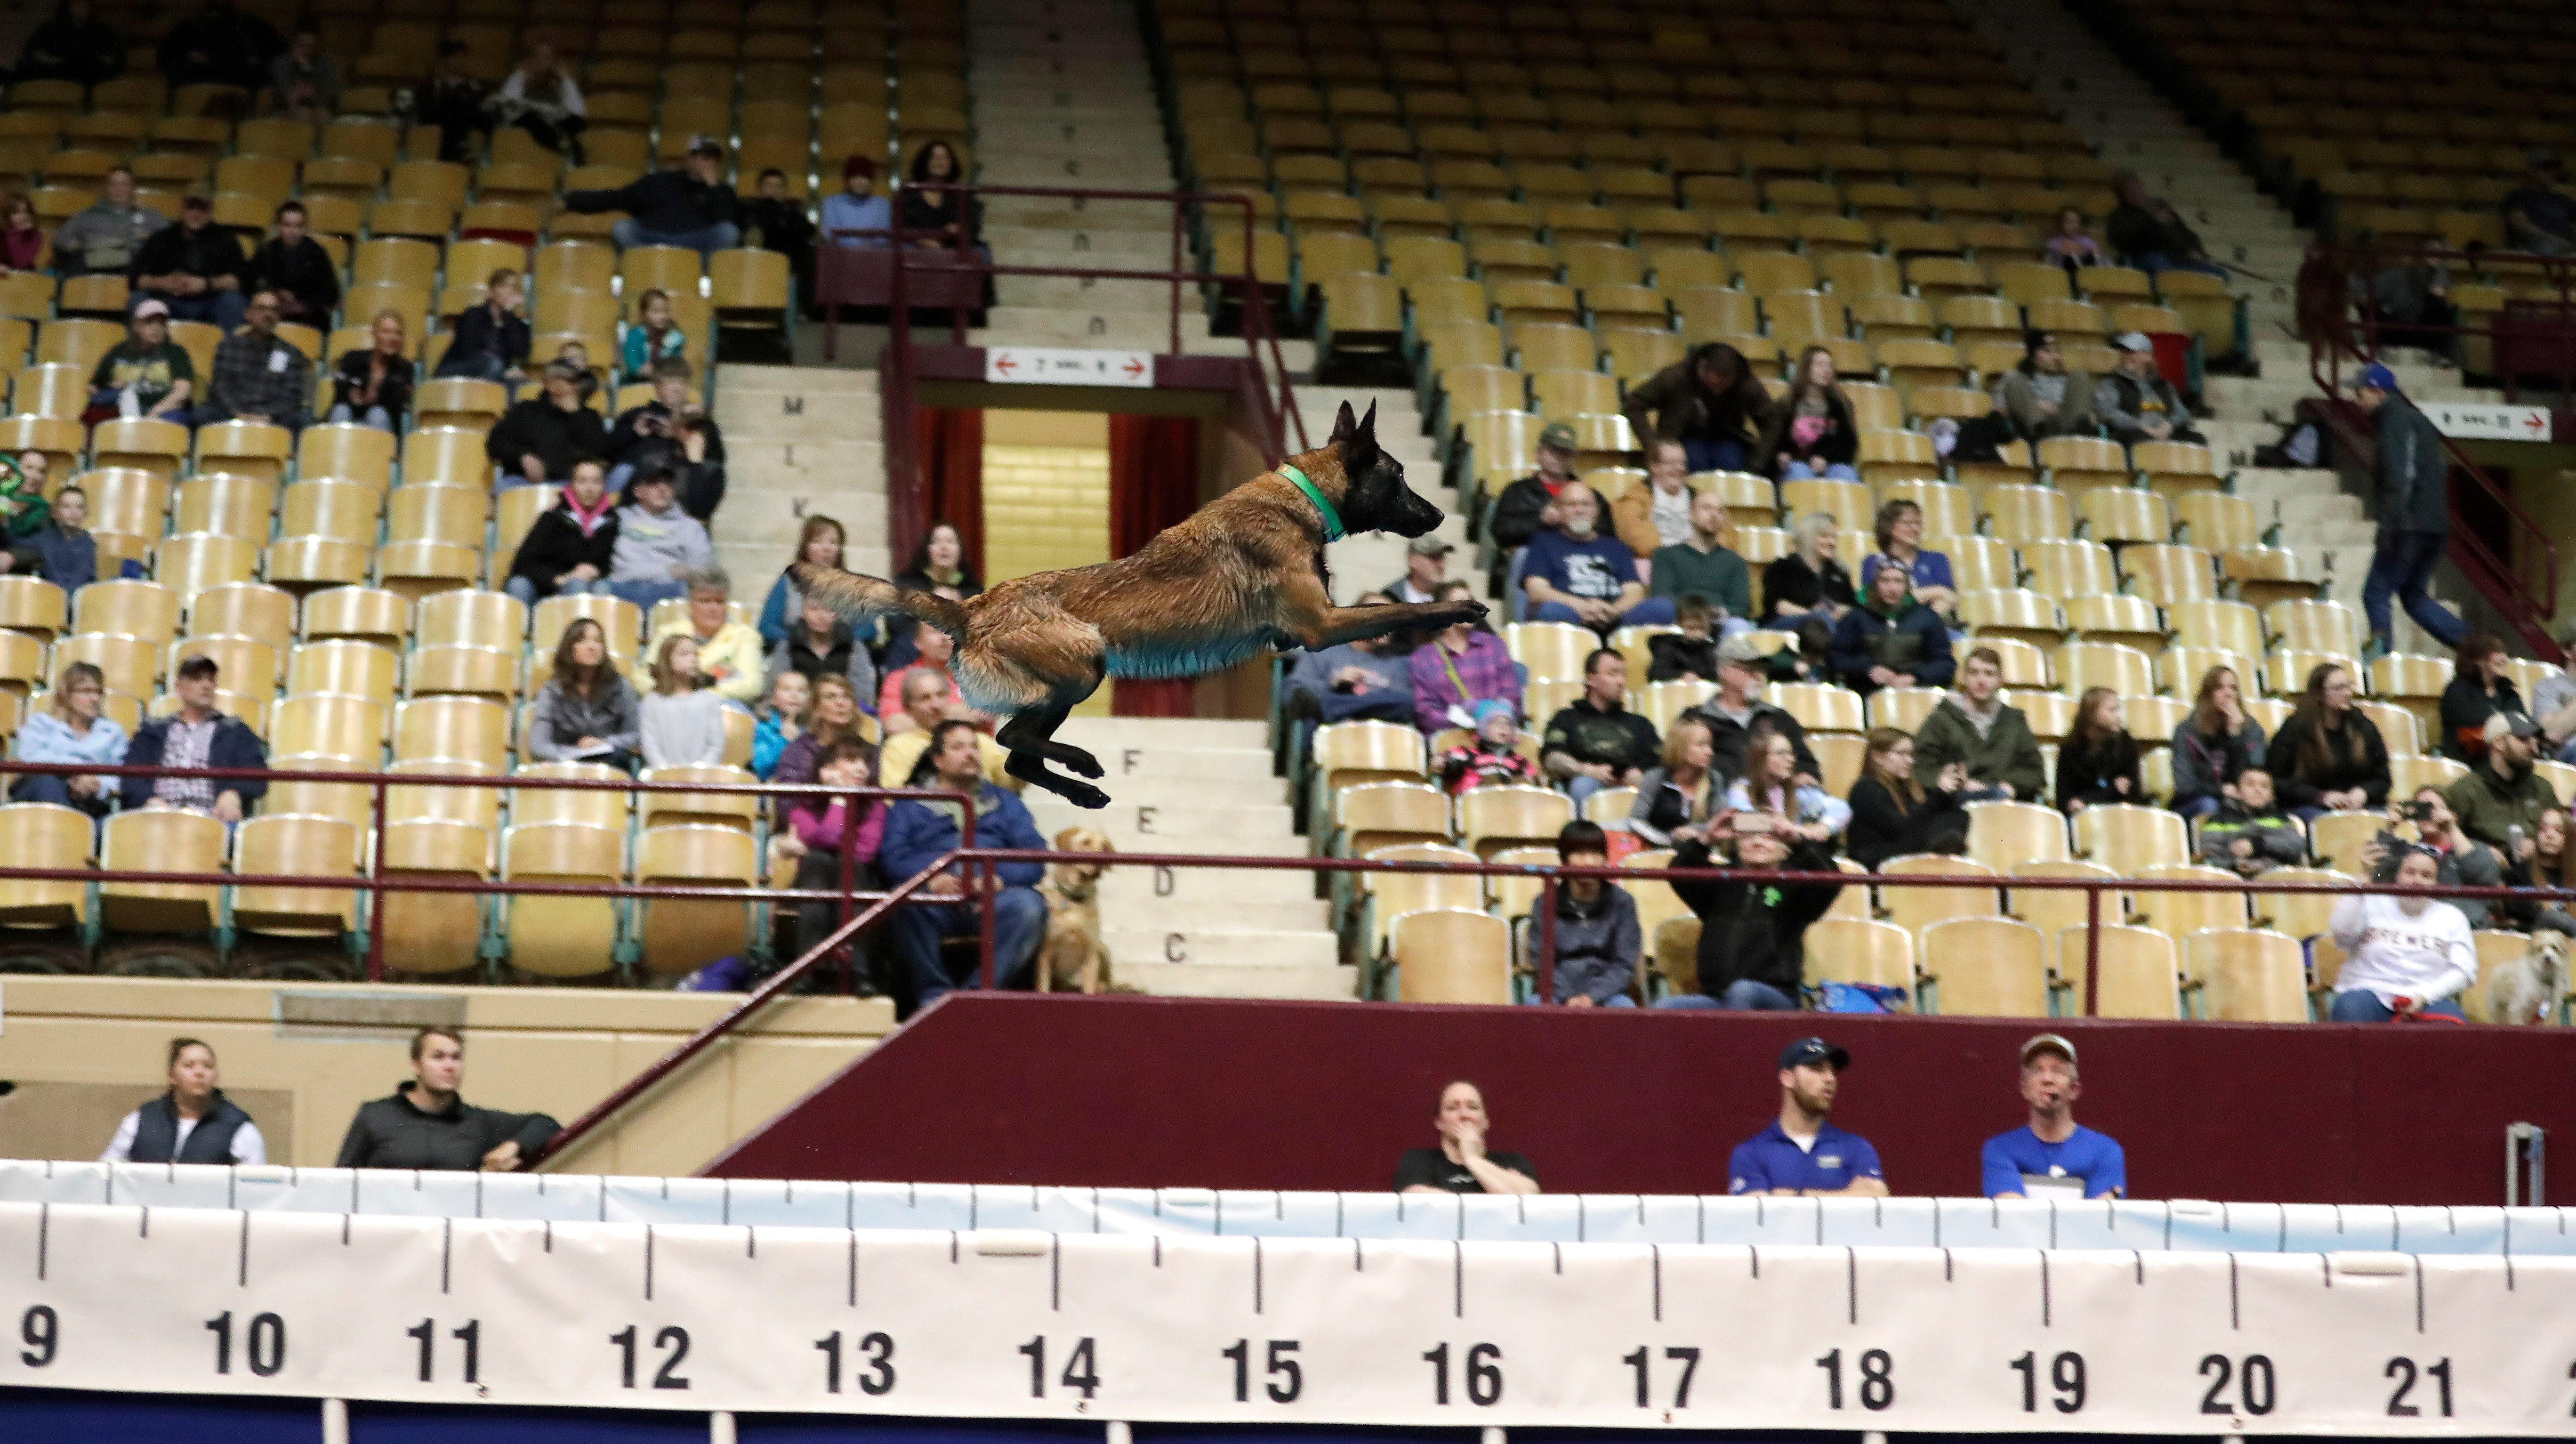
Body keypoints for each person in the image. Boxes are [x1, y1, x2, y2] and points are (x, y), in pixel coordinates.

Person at [878, 720, 1049, 1007]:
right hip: (934, 895)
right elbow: (892, 858)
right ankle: (933, 996)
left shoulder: (1006, 802)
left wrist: (999, 880)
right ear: (938, 760)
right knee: (904, 901)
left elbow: (1036, 857)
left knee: (1029, 907)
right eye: (958, 748)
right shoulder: (909, 803)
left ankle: (975, 996)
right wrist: (930, 879)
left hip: (995, 896)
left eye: (974, 746)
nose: (970, 754)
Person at [2350, 363, 2466, 655]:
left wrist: (2390, 524)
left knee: (2376, 592)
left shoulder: (2395, 422)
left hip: (2407, 523)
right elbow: (2436, 470)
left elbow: (2401, 476)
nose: (2356, 399)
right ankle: (2479, 652)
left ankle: (2383, 662)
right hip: (2435, 525)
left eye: (2359, 391)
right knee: (2414, 597)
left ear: (2377, 392)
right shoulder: (2418, 420)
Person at [335, 1027, 560, 1171]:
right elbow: (343, 1181)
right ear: (416, 1065)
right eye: (438, 1057)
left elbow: (546, 1124)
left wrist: (513, 1147)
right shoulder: (375, 1115)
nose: (450, 1066)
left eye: (456, 1058)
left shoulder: (477, 1122)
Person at [2327, 844, 2476, 1023]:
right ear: (2398, 876)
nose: (2417, 881)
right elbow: (2342, 936)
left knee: (2451, 1028)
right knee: (2349, 1010)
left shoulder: (2453, 916)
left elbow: (2464, 971)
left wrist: (2425, 996)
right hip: (2369, 992)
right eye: (2410, 872)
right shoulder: (2371, 900)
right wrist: (2364, 881)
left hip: (2429, 998)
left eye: (2426, 876)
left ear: (2436, 884)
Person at [775, 735, 887, 969]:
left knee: (841, 863)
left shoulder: (875, 806)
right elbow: (830, 839)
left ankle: (850, 971)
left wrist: (808, 845)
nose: (862, 769)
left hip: (859, 879)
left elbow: (865, 852)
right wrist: (839, 799)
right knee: (819, 862)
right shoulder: (802, 810)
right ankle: (813, 969)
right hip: (815, 881)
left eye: (865, 762)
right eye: (852, 760)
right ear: (827, 770)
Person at [1725, 1038, 1887, 1194]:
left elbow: (1876, 1193)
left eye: (1832, 1071)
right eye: (1817, 1069)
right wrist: (1847, 1195)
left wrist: (1797, 1196)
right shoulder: (1751, 1153)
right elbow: (1758, 1213)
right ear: (1788, 1078)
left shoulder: (1856, 1148)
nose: (1830, 1079)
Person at [1980, 1034, 2124, 1200]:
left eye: (2057, 1071)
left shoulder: (2104, 1151)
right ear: (2025, 1089)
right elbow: (2012, 1215)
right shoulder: (2001, 1149)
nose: (2047, 1079)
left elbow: (2100, 1217)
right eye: (2037, 1071)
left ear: (2074, 1090)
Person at [123, 655, 265, 821]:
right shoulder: (152, 731)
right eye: (197, 679)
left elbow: (258, 775)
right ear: (179, 687)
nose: (206, 686)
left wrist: (233, 793)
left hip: (213, 817)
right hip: (158, 815)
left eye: (211, 680)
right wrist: (149, 801)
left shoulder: (236, 731)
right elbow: (130, 775)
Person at [1521, 483, 1674, 630]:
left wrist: (1614, 610)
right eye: (1571, 505)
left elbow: (1634, 591)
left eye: (1586, 505)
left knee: (1663, 608)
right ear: (1560, 511)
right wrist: (1582, 606)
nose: (1579, 510)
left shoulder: (1617, 547)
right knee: (1551, 611)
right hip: (1572, 615)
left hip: (1616, 618)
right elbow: (1537, 590)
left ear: (1596, 511)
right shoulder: (1544, 543)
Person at [567, 136, 740, 258]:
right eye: (704, 158)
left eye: (713, 160)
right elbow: (617, 197)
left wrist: (713, 188)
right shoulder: (660, 181)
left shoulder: (722, 190)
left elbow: (725, 219)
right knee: (622, 228)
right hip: (653, 238)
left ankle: (692, 270)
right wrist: (571, 200)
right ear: (689, 158)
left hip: (695, 244)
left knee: (729, 233)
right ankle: (646, 262)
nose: (708, 164)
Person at [99, 1038, 264, 1165]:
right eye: (189, 1066)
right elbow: (108, 1173)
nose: (200, 1072)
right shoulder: (142, 1120)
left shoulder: (238, 1126)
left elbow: (254, 1188)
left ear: (216, 1076)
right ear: (171, 1075)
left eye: (208, 1066)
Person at [1621, 341, 1777, 474]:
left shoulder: (1745, 385)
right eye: (1715, 384)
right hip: (1680, 439)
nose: (1719, 390)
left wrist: (1757, 462)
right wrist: (1652, 444)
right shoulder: (1676, 378)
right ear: (1703, 368)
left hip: (1728, 440)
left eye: (1725, 385)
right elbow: (1634, 404)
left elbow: (1773, 422)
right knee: (1695, 462)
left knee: (1731, 464)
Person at [1911, 647, 2044, 802]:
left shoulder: (2014, 721)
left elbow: (2035, 773)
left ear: (2000, 681)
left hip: (2003, 803)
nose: (1981, 681)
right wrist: (1955, 781)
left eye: (1989, 674)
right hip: (1956, 803)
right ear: (1965, 678)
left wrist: (2008, 786)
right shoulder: (1942, 719)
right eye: (1974, 673)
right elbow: (1921, 766)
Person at [2266, 662, 2390, 822]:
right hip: (2311, 806)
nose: (2348, 693)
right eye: (2339, 688)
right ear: (2320, 695)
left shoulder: (2363, 727)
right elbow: (2277, 781)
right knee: (2325, 822)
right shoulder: (2296, 729)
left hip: (2359, 805)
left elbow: (2383, 777)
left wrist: (2364, 793)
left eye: (2348, 686)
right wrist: (2321, 797)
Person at [1534, 820, 1639, 1007]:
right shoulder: (1545, 903)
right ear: (1565, 859)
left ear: (1605, 858)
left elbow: (1624, 965)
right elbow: (1542, 961)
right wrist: (1568, 997)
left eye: (1595, 854)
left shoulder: (1623, 903)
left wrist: (1592, 997)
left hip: (1608, 995)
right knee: (1533, 1007)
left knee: (1624, 1009)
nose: (1589, 862)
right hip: (1558, 994)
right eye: (1580, 854)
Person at [1690, 633, 1819, 783]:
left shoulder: (1779, 718)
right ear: (1725, 672)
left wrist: (1804, 776)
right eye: (1750, 669)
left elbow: (1807, 765)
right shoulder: (1697, 719)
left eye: (1762, 670)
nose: (1759, 676)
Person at [1541, 647, 1659, 809]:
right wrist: (1585, 770)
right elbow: (1552, 757)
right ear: (1591, 679)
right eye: (1613, 674)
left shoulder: (1640, 724)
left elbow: (1659, 760)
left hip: (1633, 787)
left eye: (1623, 675)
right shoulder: (1566, 718)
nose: (1621, 682)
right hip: (1587, 783)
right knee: (1583, 786)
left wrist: (1639, 772)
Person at [1845, 726, 1970, 868]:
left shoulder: (1910, 789)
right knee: (1939, 828)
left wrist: (1950, 791)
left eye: (1911, 755)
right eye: (1903, 754)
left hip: (1907, 853)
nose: (1910, 761)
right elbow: (1901, 829)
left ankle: (1940, 850)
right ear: (1878, 757)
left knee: (1959, 816)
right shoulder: (1866, 789)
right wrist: (1940, 794)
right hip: (1877, 860)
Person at [12, 659, 125, 815]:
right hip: (41, 795)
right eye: (86, 691)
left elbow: (120, 774)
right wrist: (75, 773)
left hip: (89, 801)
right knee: (49, 784)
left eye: (99, 692)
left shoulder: (112, 731)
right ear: (67, 694)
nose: (95, 699)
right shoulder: (41, 724)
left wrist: (98, 784)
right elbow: (30, 758)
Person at [526, 617, 640, 769]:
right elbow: (539, 746)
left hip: (608, 762)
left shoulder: (621, 686)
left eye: (598, 641)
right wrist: (574, 754)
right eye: (583, 641)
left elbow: (636, 735)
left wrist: (604, 744)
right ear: (570, 649)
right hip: (564, 765)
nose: (592, 647)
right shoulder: (553, 690)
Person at [1282, 590, 1413, 723]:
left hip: (1378, 735)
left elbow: (1405, 705)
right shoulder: (1323, 651)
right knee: (1314, 704)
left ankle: (1341, 708)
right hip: (1332, 734)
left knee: (1408, 702)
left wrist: (1379, 687)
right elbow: (1295, 693)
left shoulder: (1398, 663)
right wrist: (1335, 682)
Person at [877, 667, 1009, 795]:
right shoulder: (898, 746)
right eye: (925, 698)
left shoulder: (977, 740)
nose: (936, 705)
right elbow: (893, 797)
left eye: (940, 695)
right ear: (908, 708)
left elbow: (1010, 781)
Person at [1829, 562, 1954, 696]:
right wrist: (1869, 670)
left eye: (1898, 581)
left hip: (1916, 695)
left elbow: (1945, 665)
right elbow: (1836, 658)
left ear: (1907, 585)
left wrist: (1915, 677)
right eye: (1885, 581)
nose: (1892, 588)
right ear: (1876, 584)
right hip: (1868, 693)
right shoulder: (1856, 618)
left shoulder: (1927, 618)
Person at [503, 459, 618, 606]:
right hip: (546, 586)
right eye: (582, 482)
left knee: (582, 585)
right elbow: (523, 564)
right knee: (518, 584)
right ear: (572, 485)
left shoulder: (613, 522)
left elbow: (613, 565)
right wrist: (558, 578)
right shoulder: (552, 518)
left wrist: (595, 571)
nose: (589, 488)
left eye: (596, 482)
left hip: (587, 586)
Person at [1410, 580, 1519, 734]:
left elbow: (1512, 696)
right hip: (1452, 741)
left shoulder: (1494, 645)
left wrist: (1492, 718)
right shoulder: (1424, 658)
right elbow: (1425, 712)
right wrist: (1460, 721)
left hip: (1496, 737)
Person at [1394, 1081, 1539, 1194]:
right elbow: (1417, 1200)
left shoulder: (1512, 1161)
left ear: (1485, 1121)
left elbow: (1527, 1197)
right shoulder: (1420, 1160)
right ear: (1440, 1122)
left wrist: (1473, 1159)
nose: (1464, 1115)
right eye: (1453, 1108)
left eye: (1473, 1107)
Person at [608, 357, 726, 496]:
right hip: (637, 475)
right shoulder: (636, 415)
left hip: (680, 476)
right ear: (657, 387)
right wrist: (634, 433)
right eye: (670, 382)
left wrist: (680, 435)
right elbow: (609, 453)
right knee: (624, 470)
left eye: (681, 382)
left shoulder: (697, 420)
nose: (677, 388)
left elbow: (716, 458)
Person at [2446, 711, 2558, 857]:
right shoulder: (2466, 790)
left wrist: (2537, 846)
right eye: (2523, 739)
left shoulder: (2543, 789)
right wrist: (2482, 853)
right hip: (2486, 875)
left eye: (2534, 740)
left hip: (2537, 873)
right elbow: (2447, 841)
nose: (2533, 748)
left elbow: (2563, 835)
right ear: (2498, 743)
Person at [649, 568, 765, 707]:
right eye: (705, 601)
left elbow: (751, 685)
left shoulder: (745, 636)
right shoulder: (668, 633)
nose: (713, 608)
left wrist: (698, 696)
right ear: (691, 605)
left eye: (719, 602)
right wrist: (673, 693)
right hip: (670, 702)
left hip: (721, 707)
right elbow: (645, 677)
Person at [132, 194, 248, 333]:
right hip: (168, 300)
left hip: (210, 300)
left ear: (211, 212)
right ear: (183, 210)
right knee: (139, 298)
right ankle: (140, 353)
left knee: (234, 302)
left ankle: (232, 352)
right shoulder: (162, 238)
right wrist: (163, 283)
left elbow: (237, 281)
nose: (196, 214)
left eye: (202, 210)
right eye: (191, 208)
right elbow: (137, 279)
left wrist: (206, 284)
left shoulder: (226, 240)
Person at [487, 360, 609, 489]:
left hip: (570, 485)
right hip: (522, 481)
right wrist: (523, 456)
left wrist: (576, 415)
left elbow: (602, 453)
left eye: (574, 381)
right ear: (548, 383)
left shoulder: (589, 417)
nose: (572, 386)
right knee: (503, 487)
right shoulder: (525, 410)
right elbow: (496, 443)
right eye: (567, 380)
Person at [883, 522, 983, 672]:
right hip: (914, 648)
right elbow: (895, 624)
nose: (944, 547)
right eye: (937, 542)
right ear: (927, 550)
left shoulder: (973, 590)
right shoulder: (908, 585)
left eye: (951, 542)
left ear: (960, 551)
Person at [2170, 664, 2266, 821]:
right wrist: (2221, 790)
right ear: (2208, 694)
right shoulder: (2187, 731)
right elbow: (2185, 785)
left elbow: (2255, 775)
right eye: (2220, 688)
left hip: (2241, 800)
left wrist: (2236, 735)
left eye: (2233, 688)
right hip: (2197, 801)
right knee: (2211, 805)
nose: (2228, 694)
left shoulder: (2251, 730)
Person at [203, 290, 310, 429]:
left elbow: (292, 395)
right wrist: (239, 414)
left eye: (273, 310)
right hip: (234, 412)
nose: (268, 315)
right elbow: (220, 387)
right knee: (203, 414)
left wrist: (267, 416)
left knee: (304, 418)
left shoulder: (290, 352)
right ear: (248, 314)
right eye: (262, 309)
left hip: (274, 417)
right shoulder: (229, 347)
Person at [1648, 487, 1753, 629]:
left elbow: (1740, 607)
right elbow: (1663, 596)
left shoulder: (1736, 562)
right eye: (1707, 508)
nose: (1714, 515)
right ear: (1691, 514)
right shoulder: (1666, 555)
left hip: (1720, 623)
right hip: (1679, 621)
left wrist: (1715, 614)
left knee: (1739, 626)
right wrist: (1698, 613)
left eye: (1719, 511)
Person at [1726, 723, 1850, 839]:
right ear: (1761, 758)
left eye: (1791, 754)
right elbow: (1741, 820)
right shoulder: (1743, 788)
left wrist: (1821, 829)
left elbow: (1841, 808)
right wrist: (1784, 827)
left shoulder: (1794, 792)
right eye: (1782, 753)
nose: (1791, 760)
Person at [772, 672, 869, 819]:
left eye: (847, 697)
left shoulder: (870, 752)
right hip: (806, 832)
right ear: (816, 709)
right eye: (831, 697)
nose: (841, 703)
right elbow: (787, 806)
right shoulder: (796, 752)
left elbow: (875, 806)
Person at [1756, 345, 1860, 480]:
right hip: (1795, 463)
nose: (1826, 370)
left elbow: (1849, 443)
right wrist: (1780, 456)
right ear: (1806, 369)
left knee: (1847, 475)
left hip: (1829, 464)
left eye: (1829, 366)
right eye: (1820, 365)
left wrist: (1826, 458)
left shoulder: (1841, 406)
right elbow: (1773, 440)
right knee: (1799, 473)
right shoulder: (1787, 405)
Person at [86, 298, 193, 423]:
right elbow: (93, 387)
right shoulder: (119, 351)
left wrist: (156, 411)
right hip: (122, 408)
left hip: (164, 410)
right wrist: (112, 386)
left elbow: (182, 391)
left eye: (161, 324)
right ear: (137, 325)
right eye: (150, 323)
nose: (156, 328)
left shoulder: (176, 352)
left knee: (172, 421)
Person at [2106, 171, 2228, 278]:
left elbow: (2183, 231)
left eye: (2137, 187)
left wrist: (2195, 247)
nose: (2135, 193)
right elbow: (2128, 239)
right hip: (2145, 259)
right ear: (2122, 195)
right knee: (2158, 264)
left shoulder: (2160, 207)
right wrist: (2155, 222)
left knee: (2219, 274)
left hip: (2176, 258)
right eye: (2129, 190)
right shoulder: (2119, 217)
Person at [1626, 713, 1723, 846]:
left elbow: (1721, 822)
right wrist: (1668, 839)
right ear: (1680, 748)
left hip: (1700, 851)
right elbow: (1636, 821)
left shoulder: (1714, 779)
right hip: (1658, 851)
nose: (1710, 752)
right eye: (1701, 745)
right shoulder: (1656, 777)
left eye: (1710, 746)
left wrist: (1693, 832)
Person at [1485, 420, 1579, 557]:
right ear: (1539, 453)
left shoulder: (1588, 495)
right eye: (1553, 451)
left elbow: (1608, 533)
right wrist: (1541, 521)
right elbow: (1502, 532)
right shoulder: (1517, 492)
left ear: (1573, 458)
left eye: (1565, 453)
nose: (1559, 457)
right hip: (1535, 559)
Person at [51, 166, 166, 277]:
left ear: (133, 188)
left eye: (124, 185)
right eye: (113, 185)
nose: (118, 190)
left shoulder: (151, 217)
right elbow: (61, 239)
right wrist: (76, 245)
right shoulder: (88, 215)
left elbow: (171, 241)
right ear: (107, 188)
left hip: (132, 272)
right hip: (91, 270)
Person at [2095, 332, 2205, 445]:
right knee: (2142, 441)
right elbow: (2108, 413)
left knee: (2197, 440)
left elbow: (2182, 412)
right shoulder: (2111, 384)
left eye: (2132, 352)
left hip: (2165, 433)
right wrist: (2142, 426)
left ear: (2147, 356)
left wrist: (2169, 425)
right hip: (2133, 434)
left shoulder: (2164, 386)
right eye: (2123, 352)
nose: (2126, 356)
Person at [239, 201, 337, 326]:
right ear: (278, 226)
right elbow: (248, 284)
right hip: (271, 313)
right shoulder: (266, 251)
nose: (293, 231)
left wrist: (302, 305)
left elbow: (331, 294)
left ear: (305, 228)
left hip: (308, 317)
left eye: (298, 226)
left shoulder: (317, 254)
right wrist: (275, 294)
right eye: (287, 225)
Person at [1855, 499, 1957, 618]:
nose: (1916, 529)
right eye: (1908, 523)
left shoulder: (1937, 559)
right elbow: (1876, 602)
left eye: (1918, 523)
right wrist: (1937, 591)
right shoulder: (1874, 562)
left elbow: (1950, 598)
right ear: (1890, 527)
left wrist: (1921, 624)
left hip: (1934, 627)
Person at [758, 515, 849, 648]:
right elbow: (767, 627)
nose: (827, 548)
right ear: (806, 547)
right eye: (818, 542)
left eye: (833, 543)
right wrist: (803, 642)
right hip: (795, 652)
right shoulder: (789, 581)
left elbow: (868, 630)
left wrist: (833, 643)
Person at [2198, 767, 2305, 879]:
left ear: (2272, 795)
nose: (2258, 790)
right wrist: (2236, 865)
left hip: (2275, 882)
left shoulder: (2280, 820)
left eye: (2264, 786)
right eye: (2250, 785)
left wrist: (2257, 846)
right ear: (2236, 792)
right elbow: (2210, 856)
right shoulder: (2218, 820)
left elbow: (2296, 846)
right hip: (2231, 883)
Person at [639, 634, 728, 769]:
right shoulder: (653, 701)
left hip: (701, 779)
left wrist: (700, 770)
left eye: (696, 655)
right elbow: (650, 745)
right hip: (662, 779)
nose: (693, 659)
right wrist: (665, 770)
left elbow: (716, 745)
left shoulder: (710, 700)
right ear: (667, 661)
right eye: (684, 654)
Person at [1995, 330, 2099, 440]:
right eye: (2047, 351)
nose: (2054, 357)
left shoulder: (2067, 380)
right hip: (2032, 428)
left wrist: (2063, 409)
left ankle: (2080, 434)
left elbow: (2092, 408)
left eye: (2057, 352)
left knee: (2080, 375)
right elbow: (1999, 408)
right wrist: (2037, 406)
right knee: (2014, 380)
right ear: (2032, 354)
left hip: (2066, 426)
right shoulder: (2016, 378)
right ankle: (2041, 430)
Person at [770, 596, 878, 702]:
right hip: (798, 710)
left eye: (829, 610)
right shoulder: (788, 644)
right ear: (803, 612)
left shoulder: (853, 646)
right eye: (814, 609)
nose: (821, 616)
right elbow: (774, 688)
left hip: (841, 711)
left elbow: (863, 695)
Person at [2440, 632, 2526, 763]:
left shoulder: (2509, 691)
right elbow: (2479, 727)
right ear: (2477, 660)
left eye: (2504, 653)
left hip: (2510, 761)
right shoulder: (2457, 691)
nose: (2504, 658)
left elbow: (2522, 724)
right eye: (2496, 653)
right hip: (2472, 762)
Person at [157, 0, 279, 92]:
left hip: (241, 89)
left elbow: (276, 54)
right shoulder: (188, 27)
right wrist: (188, 56)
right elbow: (166, 57)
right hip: (197, 89)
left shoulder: (252, 26)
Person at [492, 42, 586, 161]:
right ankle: (559, 144)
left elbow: (578, 114)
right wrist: (523, 78)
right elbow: (507, 108)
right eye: (539, 57)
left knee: (575, 123)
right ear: (531, 60)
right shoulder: (519, 78)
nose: (543, 62)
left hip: (552, 124)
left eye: (547, 58)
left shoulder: (561, 84)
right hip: (523, 131)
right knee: (529, 117)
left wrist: (566, 80)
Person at [1761, 510, 1853, 630]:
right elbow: (1778, 606)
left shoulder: (1839, 572)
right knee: (1822, 620)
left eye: (1835, 537)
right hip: (1786, 625)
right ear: (1808, 537)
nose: (1832, 542)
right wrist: (1813, 614)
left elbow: (1852, 607)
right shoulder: (1782, 567)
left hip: (1831, 626)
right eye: (1825, 536)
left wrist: (1841, 611)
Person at [435, 267, 531, 384]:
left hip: (495, 373)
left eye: (514, 288)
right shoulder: (473, 315)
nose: (509, 291)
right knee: (493, 365)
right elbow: (467, 351)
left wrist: (508, 317)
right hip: (458, 368)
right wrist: (502, 372)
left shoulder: (518, 326)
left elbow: (520, 352)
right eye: (504, 286)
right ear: (491, 291)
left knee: (518, 382)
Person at [2055, 686, 2141, 815]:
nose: (2118, 716)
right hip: (2082, 816)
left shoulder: (2126, 743)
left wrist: (2087, 799)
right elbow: (2066, 800)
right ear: (2092, 714)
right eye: (2112, 710)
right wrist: (2114, 789)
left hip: (2120, 814)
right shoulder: (2070, 749)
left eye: (2118, 710)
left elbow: (2131, 792)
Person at [326, 308, 412, 432]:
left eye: (398, 333)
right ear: (375, 334)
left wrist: (372, 398)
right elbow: (340, 391)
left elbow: (397, 404)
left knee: (377, 414)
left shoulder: (405, 368)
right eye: (386, 332)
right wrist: (354, 398)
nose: (392, 338)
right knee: (341, 411)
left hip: (383, 424)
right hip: (350, 415)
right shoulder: (353, 358)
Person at [1614, 437, 1700, 559]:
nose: (1679, 468)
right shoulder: (1635, 498)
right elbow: (1633, 534)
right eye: (1671, 463)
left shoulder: (1699, 497)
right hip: (1657, 562)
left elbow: (1725, 535)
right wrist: (1673, 557)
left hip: (1698, 561)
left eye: (1682, 463)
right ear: (1654, 466)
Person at [743, 167, 818, 302]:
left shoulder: (791, 211)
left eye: (778, 186)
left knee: (810, 252)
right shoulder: (749, 209)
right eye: (769, 185)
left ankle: (807, 306)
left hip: (790, 256)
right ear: (760, 190)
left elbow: (809, 231)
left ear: (784, 191)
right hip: (761, 252)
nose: (773, 190)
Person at [1438, 698, 1541, 794]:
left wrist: (1525, 784)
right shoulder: (1467, 754)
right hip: (1475, 806)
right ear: (1483, 728)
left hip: (1511, 806)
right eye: (1496, 723)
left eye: (1508, 724)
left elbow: (1536, 786)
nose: (1503, 728)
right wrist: (1448, 764)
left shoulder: (1521, 762)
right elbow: (1441, 764)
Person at [16, 0, 123, 89]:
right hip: (52, 79)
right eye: (78, 4)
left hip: (90, 82)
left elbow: (113, 61)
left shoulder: (103, 33)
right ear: (69, 6)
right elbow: (32, 53)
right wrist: (50, 61)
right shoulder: (50, 29)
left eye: (85, 5)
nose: (82, 8)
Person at [414, 41, 490, 163]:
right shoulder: (429, 86)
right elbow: (425, 114)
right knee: (451, 105)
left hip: (467, 125)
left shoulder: (476, 87)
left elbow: (481, 114)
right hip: (437, 129)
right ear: (446, 60)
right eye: (456, 57)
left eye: (463, 57)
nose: (460, 61)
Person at [899, 141, 980, 251]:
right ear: (925, 162)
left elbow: (972, 226)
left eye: (945, 158)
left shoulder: (962, 193)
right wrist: (925, 241)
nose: (939, 162)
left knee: (980, 252)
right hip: (916, 247)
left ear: (952, 164)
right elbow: (901, 227)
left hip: (955, 247)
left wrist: (959, 230)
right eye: (934, 157)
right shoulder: (909, 192)